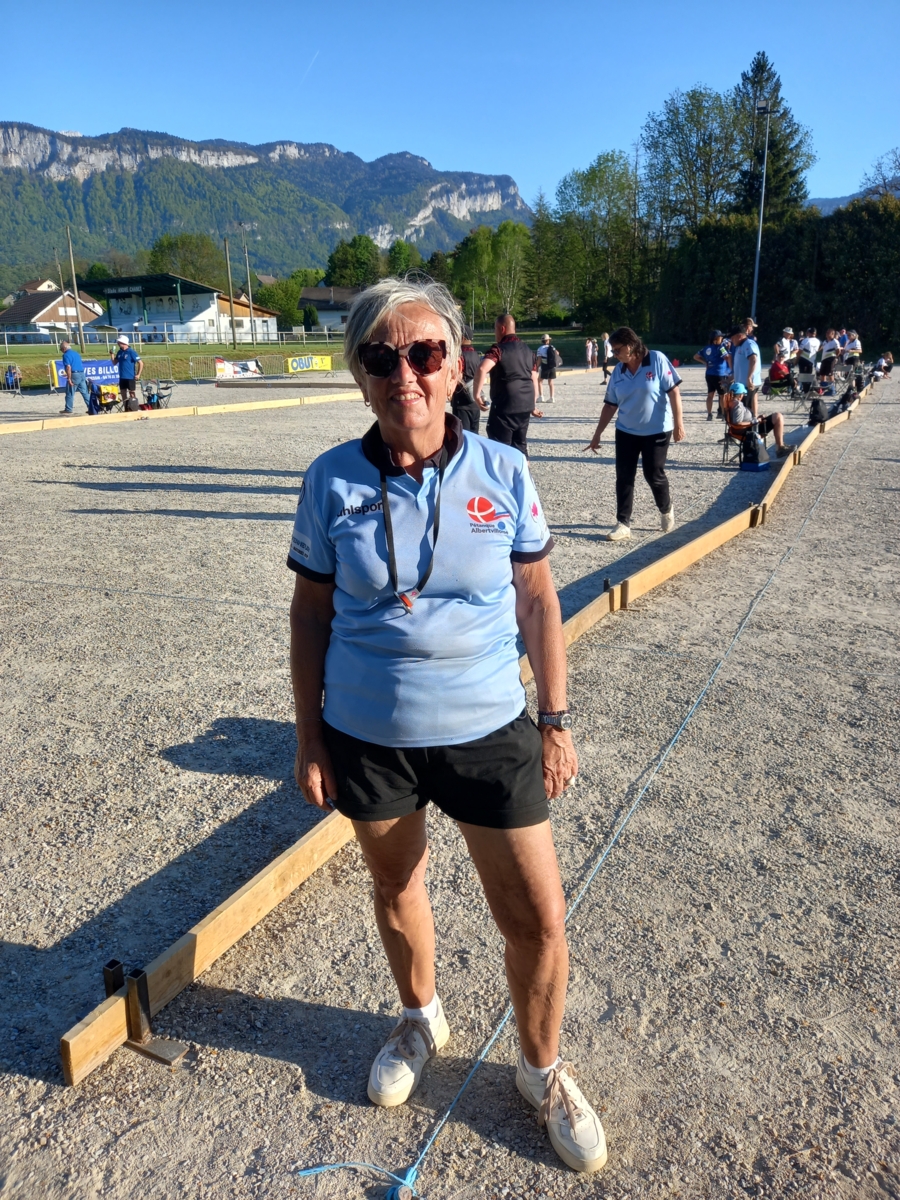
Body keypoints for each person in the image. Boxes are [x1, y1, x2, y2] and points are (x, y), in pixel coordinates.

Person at [287, 276, 607, 1174]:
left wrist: (555, 720)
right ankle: (420, 1018)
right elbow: (310, 614)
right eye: (381, 358)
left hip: (488, 727)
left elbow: (537, 599)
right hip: (368, 732)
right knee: (397, 886)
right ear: (360, 375)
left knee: (538, 917)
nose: (406, 375)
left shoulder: (503, 471)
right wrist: (309, 735)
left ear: (457, 365)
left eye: (425, 353)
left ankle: (540, 1072)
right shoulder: (330, 479)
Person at [583, 326, 685, 541]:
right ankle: (623, 523)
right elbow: (610, 405)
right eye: (613, 351)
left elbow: (674, 391)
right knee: (624, 476)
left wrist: (679, 424)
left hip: (657, 430)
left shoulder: (656, 359)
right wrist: (597, 434)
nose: (614, 355)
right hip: (626, 431)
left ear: (630, 346)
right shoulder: (618, 371)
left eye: (617, 350)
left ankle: (666, 508)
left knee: (653, 474)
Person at [473, 314, 539, 458]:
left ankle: (503, 472)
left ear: (502, 329)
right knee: (520, 445)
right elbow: (534, 378)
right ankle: (523, 471)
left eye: (495, 329)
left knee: (500, 448)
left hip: (506, 403)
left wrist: (477, 394)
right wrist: (533, 404)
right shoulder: (528, 351)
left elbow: (482, 368)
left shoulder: (498, 349)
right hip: (526, 403)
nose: (495, 333)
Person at [723, 381, 792, 458]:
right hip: (749, 431)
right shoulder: (737, 405)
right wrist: (754, 421)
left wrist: (756, 419)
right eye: (743, 394)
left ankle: (780, 446)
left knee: (777, 416)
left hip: (749, 427)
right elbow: (737, 423)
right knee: (778, 417)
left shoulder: (731, 403)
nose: (743, 396)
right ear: (740, 395)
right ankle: (780, 448)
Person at [449, 325, 486, 433]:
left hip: (461, 400)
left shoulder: (458, 355)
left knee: (463, 435)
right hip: (474, 400)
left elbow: (456, 375)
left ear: (462, 337)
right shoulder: (476, 354)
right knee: (474, 434)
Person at [693, 330, 731, 420]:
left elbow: (695, 356)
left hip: (709, 374)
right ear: (716, 339)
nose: (722, 338)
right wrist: (728, 349)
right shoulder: (720, 348)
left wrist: (704, 362)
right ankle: (723, 414)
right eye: (721, 337)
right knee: (722, 395)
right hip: (720, 373)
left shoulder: (706, 348)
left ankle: (709, 414)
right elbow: (727, 357)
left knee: (710, 395)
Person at [727, 324, 763, 417]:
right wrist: (732, 378)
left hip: (748, 384)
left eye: (732, 337)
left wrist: (749, 378)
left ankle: (752, 424)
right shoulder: (740, 346)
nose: (731, 340)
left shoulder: (748, 344)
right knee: (745, 409)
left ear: (739, 336)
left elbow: (753, 359)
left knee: (747, 411)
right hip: (742, 384)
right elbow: (741, 365)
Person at [59, 340, 92, 415]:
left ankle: (68, 409)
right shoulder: (76, 353)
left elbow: (68, 367)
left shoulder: (66, 355)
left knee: (70, 392)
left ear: (64, 348)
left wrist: (69, 378)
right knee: (85, 393)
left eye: (61, 349)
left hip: (74, 374)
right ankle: (91, 407)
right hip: (81, 373)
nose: (61, 351)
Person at [110, 335, 142, 407]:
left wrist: (138, 374)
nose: (117, 343)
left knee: (132, 393)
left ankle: (134, 407)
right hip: (122, 377)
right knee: (123, 393)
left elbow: (140, 363)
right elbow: (114, 363)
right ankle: (126, 407)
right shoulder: (119, 352)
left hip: (130, 376)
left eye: (119, 342)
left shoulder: (131, 352)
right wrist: (112, 355)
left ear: (123, 342)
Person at [536, 334, 559, 403]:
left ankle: (541, 396)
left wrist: (537, 366)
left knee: (540, 381)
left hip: (544, 366)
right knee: (551, 382)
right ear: (548, 340)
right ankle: (552, 397)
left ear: (542, 341)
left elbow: (539, 359)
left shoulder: (540, 349)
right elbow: (557, 353)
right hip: (552, 366)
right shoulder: (552, 347)